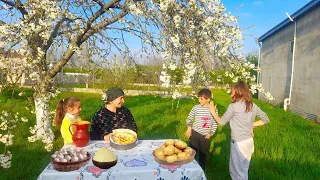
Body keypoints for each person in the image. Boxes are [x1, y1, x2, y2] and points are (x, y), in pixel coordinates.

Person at [209, 81, 270, 180]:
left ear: (238, 93)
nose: (230, 95)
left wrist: (212, 111)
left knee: (236, 173)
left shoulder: (233, 106)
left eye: (232, 93)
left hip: (238, 144)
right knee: (244, 170)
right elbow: (265, 119)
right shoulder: (252, 105)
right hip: (249, 142)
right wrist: (251, 126)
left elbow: (221, 122)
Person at [185, 88, 218, 171]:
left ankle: (201, 171)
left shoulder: (213, 110)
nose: (199, 101)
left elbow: (215, 123)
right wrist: (189, 127)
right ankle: (190, 169)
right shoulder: (196, 108)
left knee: (202, 154)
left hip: (205, 136)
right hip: (195, 134)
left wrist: (211, 133)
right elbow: (189, 118)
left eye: (201, 99)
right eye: (198, 98)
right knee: (192, 153)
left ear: (208, 99)